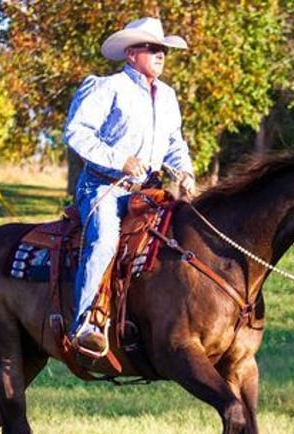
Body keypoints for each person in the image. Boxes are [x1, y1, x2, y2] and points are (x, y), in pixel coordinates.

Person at [64, 16, 195, 355]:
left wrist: (186, 173)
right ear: (131, 53)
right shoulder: (106, 87)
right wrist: (119, 159)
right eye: (152, 48)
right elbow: (77, 133)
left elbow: (174, 144)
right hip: (103, 187)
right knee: (105, 239)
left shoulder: (167, 96)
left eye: (163, 49)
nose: (161, 54)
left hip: (148, 191)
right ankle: (85, 323)